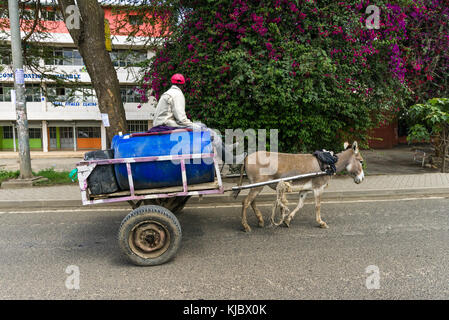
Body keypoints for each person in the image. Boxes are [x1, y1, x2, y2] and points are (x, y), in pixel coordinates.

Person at [152, 73, 242, 164]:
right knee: (208, 131)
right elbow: (181, 119)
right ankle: (230, 159)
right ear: (183, 85)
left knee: (202, 125)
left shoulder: (167, 93)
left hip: (164, 123)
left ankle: (225, 148)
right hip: (168, 124)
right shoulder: (177, 94)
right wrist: (193, 125)